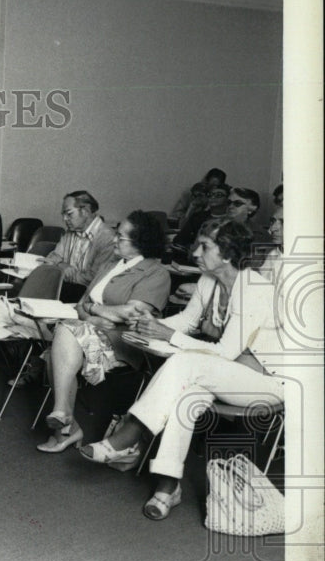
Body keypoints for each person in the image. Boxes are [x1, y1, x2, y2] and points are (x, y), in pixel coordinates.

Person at [80, 220, 293, 522]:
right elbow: (189, 320)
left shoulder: (255, 289)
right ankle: (167, 488)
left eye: (205, 246)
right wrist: (153, 324)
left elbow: (225, 352)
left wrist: (167, 336)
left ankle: (129, 435)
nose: (194, 252)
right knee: (185, 394)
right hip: (230, 372)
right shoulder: (209, 281)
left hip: (268, 382)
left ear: (229, 254)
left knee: (182, 362)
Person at [37, 211, 171, 452]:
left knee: (62, 337)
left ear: (140, 242)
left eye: (120, 238)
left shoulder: (156, 273)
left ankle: (64, 424)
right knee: (66, 333)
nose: (113, 241)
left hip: (126, 341)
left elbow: (132, 314)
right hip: (91, 329)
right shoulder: (111, 264)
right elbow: (81, 304)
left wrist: (94, 309)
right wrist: (93, 317)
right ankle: (64, 415)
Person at [43, 190, 117, 291]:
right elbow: (52, 257)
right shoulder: (70, 231)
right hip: (64, 288)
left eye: (69, 214)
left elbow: (92, 279)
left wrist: (60, 271)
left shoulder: (108, 238)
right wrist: (63, 266)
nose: (64, 219)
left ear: (85, 211)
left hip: (86, 295)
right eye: (63, 215)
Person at [171, 182, 229, 261]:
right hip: (191, 256)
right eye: (210, 194)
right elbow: (180, 239)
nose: (213, 197)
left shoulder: (229, 220)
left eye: (218, 195)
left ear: (227, 199)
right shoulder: (198, 217)